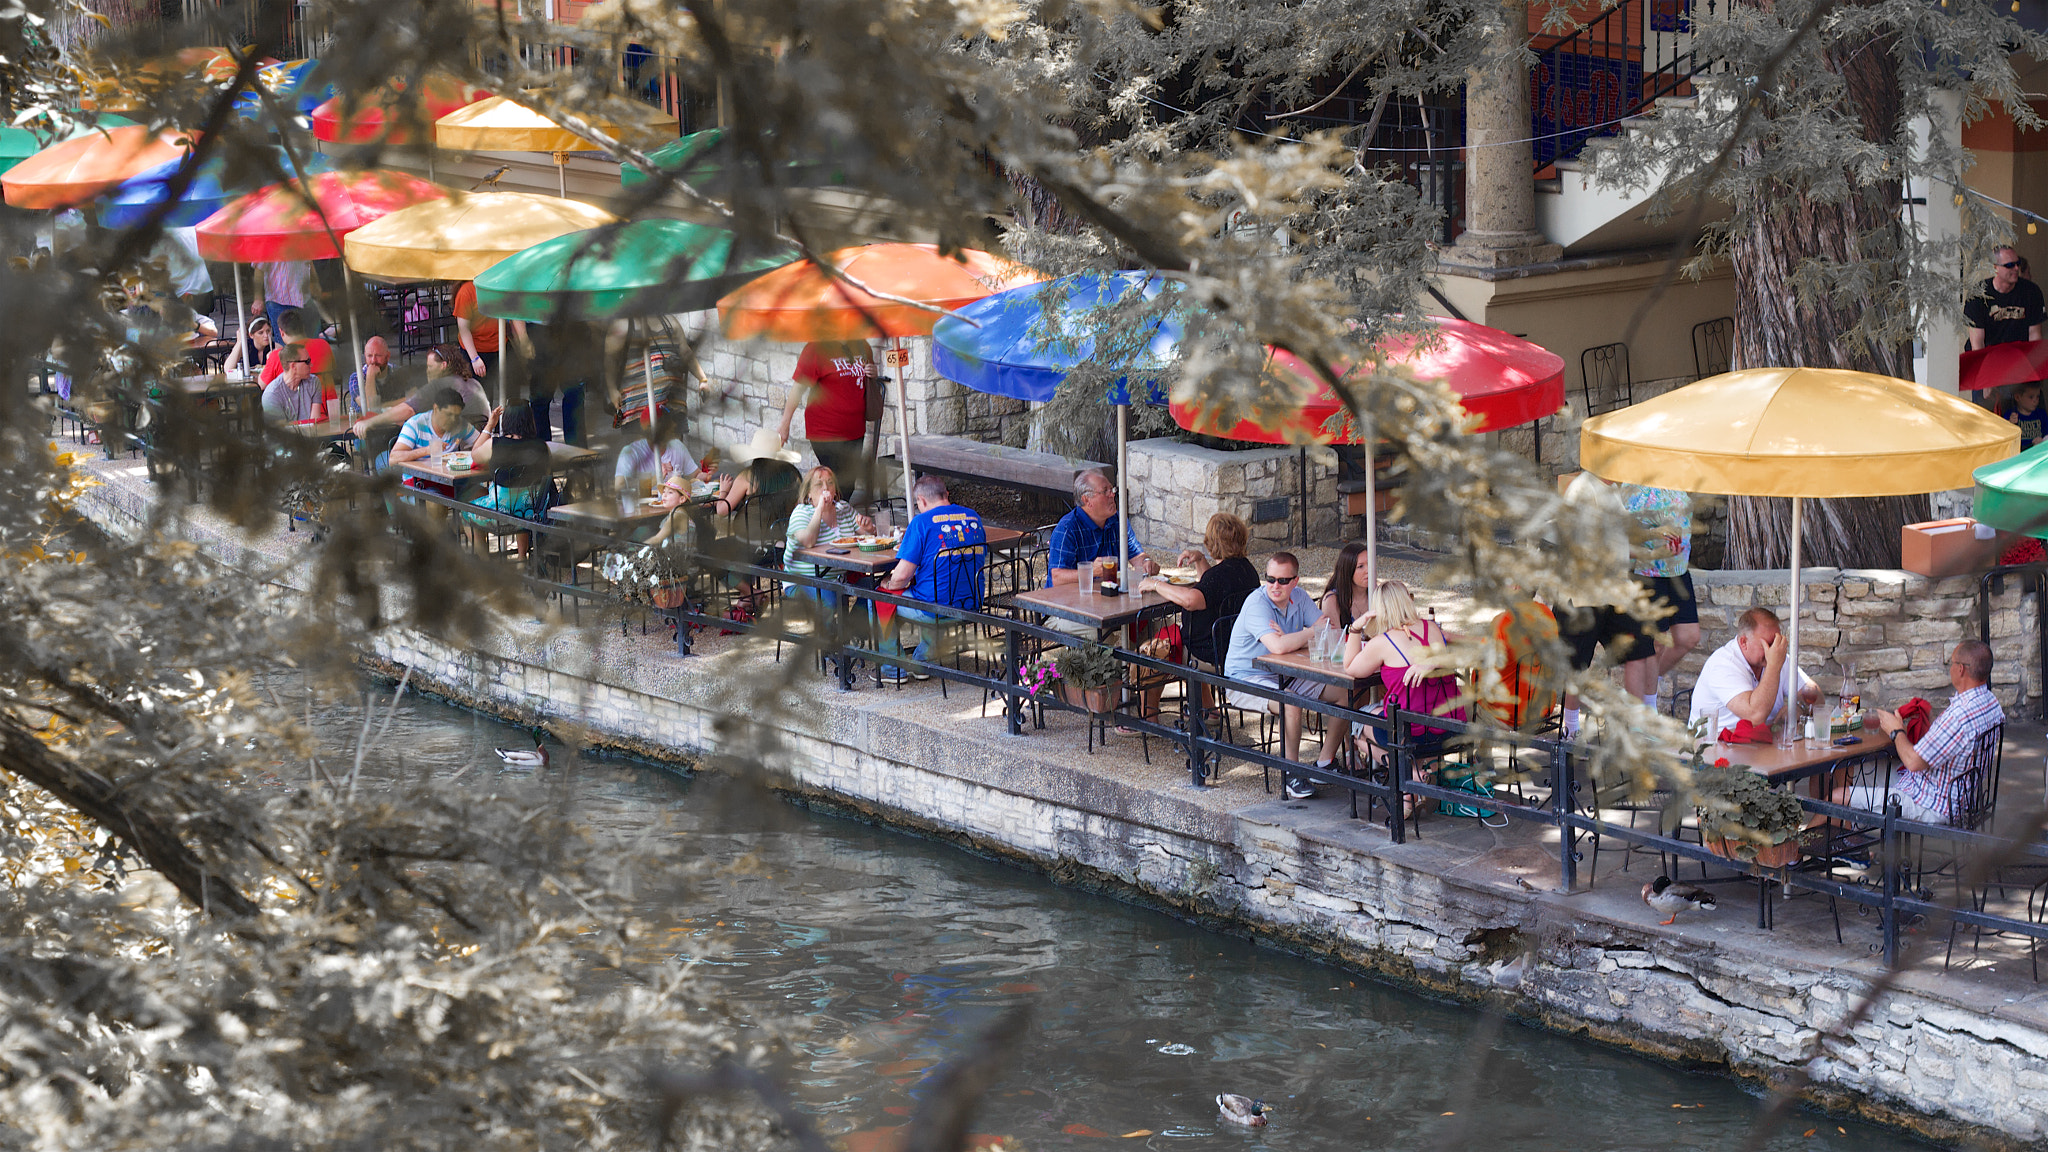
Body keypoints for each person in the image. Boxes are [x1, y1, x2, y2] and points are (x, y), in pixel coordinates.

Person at [1832, 641, 2004, 825]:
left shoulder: (1959, 715)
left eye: (1951, 663)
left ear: (1960, 669)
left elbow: (1914, 762)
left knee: (1836, 796)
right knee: (1847, 768)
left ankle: (1804, 850)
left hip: (1933, 803)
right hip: (1958, 793)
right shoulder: (1991, 704)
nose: (1950, 669)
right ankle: (1852, 843)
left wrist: (1896, 730)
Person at [1342, 580, 1466, 818]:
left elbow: (1351, 668)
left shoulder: (1383, 642)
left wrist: (1355, 629)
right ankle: (1412, 788)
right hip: (1448, 726)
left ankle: (1409, 776)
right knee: (1385, 715)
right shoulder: (1434, 630)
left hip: (1413, 731)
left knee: (1358, 726)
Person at [1221, 551, 1326, 800]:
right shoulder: (1257, 603)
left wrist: (1294, 638)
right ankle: (1291, 773)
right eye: (1269, 579)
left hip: (1284, 673)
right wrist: (1309, 633)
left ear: (1296, 581)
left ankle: (1327, 761)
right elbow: (1280, 647)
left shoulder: (1299, 597)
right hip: (1244, 678)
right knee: (1290, 702)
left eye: (1282, 581)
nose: (1274, 586)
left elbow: (1327, 628)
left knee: (1346, 691)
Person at [876, 475, 985, 683]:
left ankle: (893, 668)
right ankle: (923, 661)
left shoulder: (921, 523)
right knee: (933, 589)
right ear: (946, 495)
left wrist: (886, 583)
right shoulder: (973, 517)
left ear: (921, 501)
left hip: (934, 608)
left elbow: (901, 577)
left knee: (879, 599)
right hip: (971, 604)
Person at [1046, 468, 1164, 635]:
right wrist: (1091, 571)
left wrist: (1146, 563)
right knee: (1103, 635)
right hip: (1064, 611)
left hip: (1109, 605)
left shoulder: (1117, 521)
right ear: (1087, 500)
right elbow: (1057, 578)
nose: (1112, 494)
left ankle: (1136, 660)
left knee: (1160, 622)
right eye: (1105, 491)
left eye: (1112, 489)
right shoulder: (1067, 528)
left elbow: (1137, 556)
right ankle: (1125, 659)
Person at [1614, 482, 1700, 710]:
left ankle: (1643, 685)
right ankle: (1649, 709)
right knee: (1655, 645)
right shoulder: (1631, 485)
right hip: (1647, 571)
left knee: (1689, 637)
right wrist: (1654, 534)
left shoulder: (1676, 476)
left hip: (1678, 570)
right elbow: (1620, 534)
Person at [1137, 512, 1260, 672]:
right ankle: (1199, 698)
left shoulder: (1219, 576)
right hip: (1237, 649)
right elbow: (1212, 591)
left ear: (1211, 542)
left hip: (1207, 654)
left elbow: (1190, 600)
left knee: (1152, 655)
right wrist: (1200, 560)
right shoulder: (1246, 569)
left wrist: (1155, 584)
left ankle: (1141, 697)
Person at [1688, 606, 1821, 735]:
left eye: (1777, 643)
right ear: (1743, 642)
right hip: (1713, 750)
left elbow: (1817, 697)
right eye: (1767, 644)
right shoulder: (1723, 664)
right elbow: (1755, 717)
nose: (1774, 649)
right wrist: (1773, 666)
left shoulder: (1776, 656)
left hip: (1760, 748)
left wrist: (1799, 708)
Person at [775, 339, 878, 498]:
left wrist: (873, 374)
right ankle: (829, 517)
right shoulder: (815, 349)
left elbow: (864, 380)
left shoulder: (862, 345)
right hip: (825, 431)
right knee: (836, 480)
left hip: (855, 430)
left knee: (848, 483)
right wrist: (785, 424)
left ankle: (834, 517)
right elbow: (798, 389)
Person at [351, 343, 487, 443]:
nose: (427, 371)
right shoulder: (472, 383)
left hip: (457, 450)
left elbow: (408, 409)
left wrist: (370, 422)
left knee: (384, 461)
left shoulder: (440, 385)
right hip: (480, 444)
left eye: (430, 367)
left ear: (443, 366)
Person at [784, 465, 873, 606]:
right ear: (809, 493)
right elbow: (808, 541)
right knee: (829, 599)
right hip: (803, 580)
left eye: (830, 483)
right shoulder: (801, 513)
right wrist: (819, 509)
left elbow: (867, 537)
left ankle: (854, 627)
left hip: (838, 579)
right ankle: (828, 629)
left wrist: (869, 528)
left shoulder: (843, 508)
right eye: (819, 484)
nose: (826, 488)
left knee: (875, 590)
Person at [1966, 245, 2045, 350]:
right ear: (1995, 267)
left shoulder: (2031, 291)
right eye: (2010, 265)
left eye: (2018, 263)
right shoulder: (1978, 294)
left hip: (2018, 355)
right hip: (1988, 354)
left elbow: (2035, 335)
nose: (2016, 268)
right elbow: (1977, 342)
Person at [389, 387, 485, 466]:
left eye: (456, 415)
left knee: (482, 490)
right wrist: (427, 450)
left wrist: (489, 427)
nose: (453, 420)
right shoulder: (416, 424)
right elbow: (393, 458)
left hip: (450, 480)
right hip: (418, 483)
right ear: (435, 408)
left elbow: (482, 445)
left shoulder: (460, 424)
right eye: (448, 414)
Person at [616, 410, 699, 498]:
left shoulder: (677, 446)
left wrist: (706, 476)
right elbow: (619, 488)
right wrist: (656, 479)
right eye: (668, 424)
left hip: (674, 505)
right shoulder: (631, 452)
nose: (674, 426)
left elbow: (696, 474)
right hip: (643, 508)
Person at [259, 309, 333, 386]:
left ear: (281, 332)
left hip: (294, 397)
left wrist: (267, 363)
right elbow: (332, 369)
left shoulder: (276, 356)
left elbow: (261, 385)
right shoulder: (323, 344)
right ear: (303, 327)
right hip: (326, 396)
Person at [253, 259, 315, 342]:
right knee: (284, 345)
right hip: (279, 300)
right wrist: (258, 298)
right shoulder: (267, 246)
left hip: (304, 300)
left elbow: (309, 263)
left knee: (309, 343)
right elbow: (259, 271)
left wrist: (315, 284)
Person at [260, 344, 326, 422]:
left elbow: (315, 422)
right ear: (293, 366)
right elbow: (280, 431)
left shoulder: (314, 382)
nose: (311, 365)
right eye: (307, 361)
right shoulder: (272, 394)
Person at [1318, 541, 1373, 633]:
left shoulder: (1380, 594)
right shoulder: (1332, 600)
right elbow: (1334, 641)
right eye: (1360, 566)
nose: (1368, 570)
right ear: (1347, 570)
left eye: (1370, 564)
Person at [452, 279, 499, 386]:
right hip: (476, 350)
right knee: (481, 395)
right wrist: (475, 358)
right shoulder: (466, 291)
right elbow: (463, 329)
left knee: (509, 391)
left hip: (499, 347)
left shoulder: (497, 285)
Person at [2003, 381, 2045, 451]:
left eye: (2037, 397)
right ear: (2017, 397)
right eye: (2031, 397)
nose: (2035, 400)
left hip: (2038, 449)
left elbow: (2046, 432)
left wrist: (2043, 440)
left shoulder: (2041, 414)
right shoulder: (2010, 414)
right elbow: (2005, 435)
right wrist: (2010, 423)